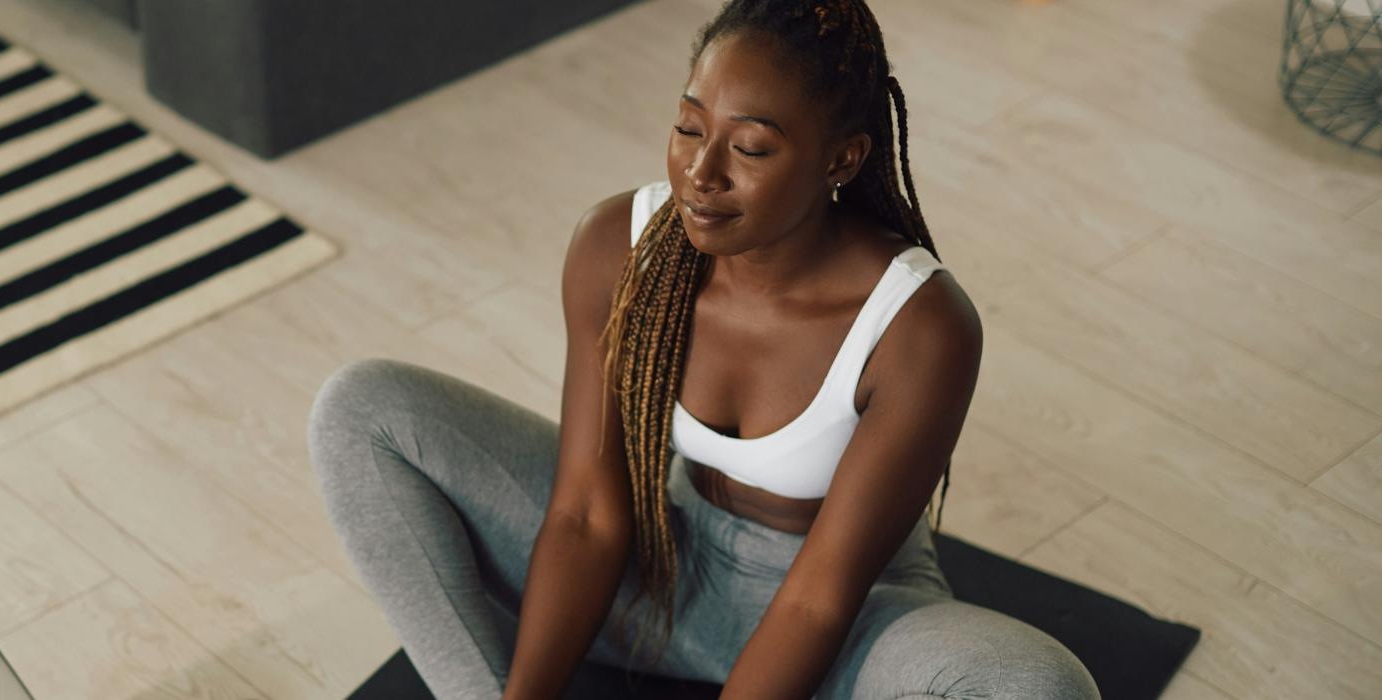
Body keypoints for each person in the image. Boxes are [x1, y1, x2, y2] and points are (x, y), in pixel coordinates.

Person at [306, 1, 1102, 698]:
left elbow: (816, 600)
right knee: (362, 410)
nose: (700, 172)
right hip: (664, 573)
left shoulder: (919, 326)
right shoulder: (618, 248)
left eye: (749, 148)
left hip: (849, 623)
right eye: (689, 127)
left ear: (842, 159)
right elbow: (585, 515)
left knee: (1038, 684)